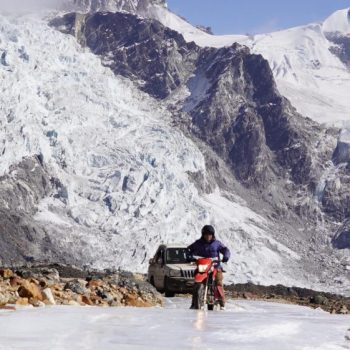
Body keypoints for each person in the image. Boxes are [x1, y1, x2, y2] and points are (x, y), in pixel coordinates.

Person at [187, 225, 231, 309]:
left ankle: (222, 303)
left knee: (218, 282)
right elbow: (188, 250)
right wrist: (188, 256)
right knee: (196, 282)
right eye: (206, 234)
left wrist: (226, 256)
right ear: (203, 234)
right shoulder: (198, 243)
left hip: (215, 266)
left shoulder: (217, 243)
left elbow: (225, 249)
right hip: (202, 267)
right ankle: (194, 302)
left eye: (210, 234)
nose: (208, 236)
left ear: (213, 235)